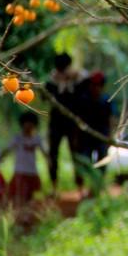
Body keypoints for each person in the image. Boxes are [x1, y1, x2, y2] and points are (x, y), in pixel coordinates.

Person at [45, 53, 86, 191]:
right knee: (53, 154)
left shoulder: (77, 80)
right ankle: (54, 186)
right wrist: (59, 82)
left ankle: (80, 186)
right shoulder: (51, 81)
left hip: (72, 124)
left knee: (76, 155)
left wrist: (73, 79)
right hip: (56, 123)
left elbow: (84, 92)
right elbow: (46, 97)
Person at [0, 111, 48, 210]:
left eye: (31, 124)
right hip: (20, 171)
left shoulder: (37, 139)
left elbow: (44, 152)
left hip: (32, 171)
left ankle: (27, 213)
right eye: (26, 124)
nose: (28, 127)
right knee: (18, 195)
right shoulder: (18, 138)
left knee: (30, 195)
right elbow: (8, 150)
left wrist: (49, 160)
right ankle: (19, 213)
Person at [75, 71, 115, 190]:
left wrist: (110, 137)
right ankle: (81, 189)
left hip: (102, 136)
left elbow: (111, 119)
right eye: (93, 85)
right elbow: (78, 119)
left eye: (98, 85)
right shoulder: (83, 99)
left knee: (102, 163)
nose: (95, 88)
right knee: (83, 162)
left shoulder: (106, 100)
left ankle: (97, 188)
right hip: (85, 137)